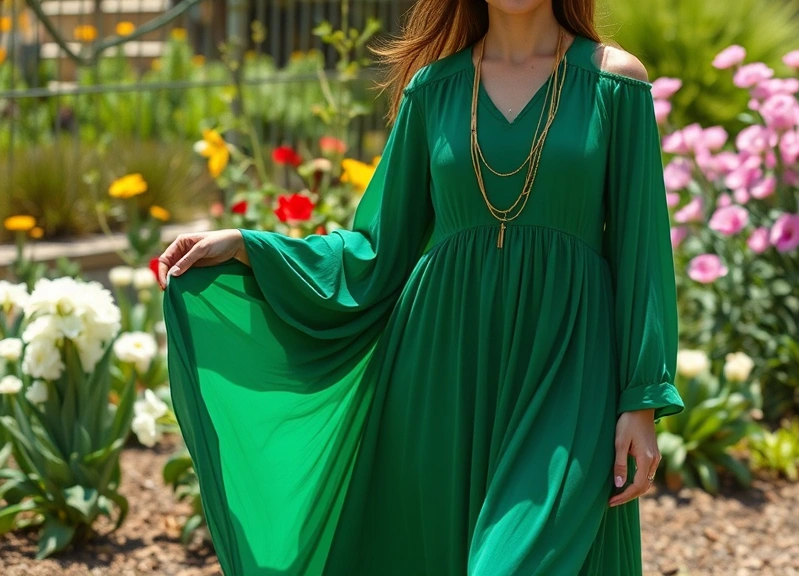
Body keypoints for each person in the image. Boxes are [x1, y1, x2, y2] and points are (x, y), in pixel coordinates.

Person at [156, 0, 684, 574]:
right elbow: (378, 250)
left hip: (567, 365)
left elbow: (643, 252)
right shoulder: (433, 89)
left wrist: (641, 399)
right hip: (442, 369)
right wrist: (248, 246)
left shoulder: (614, 81)